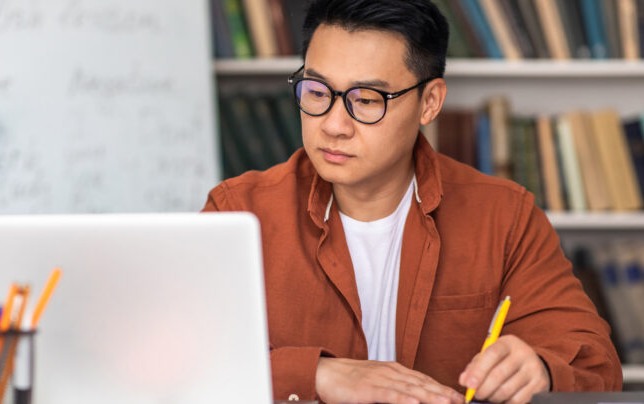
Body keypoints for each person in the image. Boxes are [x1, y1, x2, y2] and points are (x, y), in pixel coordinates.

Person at [202, 1, 622, 403]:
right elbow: (184, 362)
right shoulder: (238, 212)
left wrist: (542, 369)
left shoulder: (504, 217)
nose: (333, 125)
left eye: (366, 99)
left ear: (430, 102)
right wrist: (318, 376)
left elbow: (595, 362)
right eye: (316, 91)